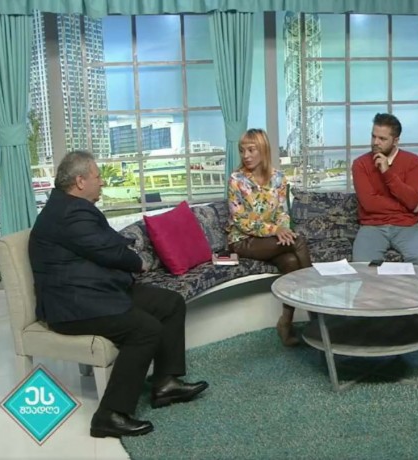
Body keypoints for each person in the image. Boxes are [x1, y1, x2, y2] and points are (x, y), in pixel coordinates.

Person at [29, 151, 208, 438]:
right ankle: (110, 414)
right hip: (73, 306)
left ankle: (165, 383)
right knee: (145, 330)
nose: (101, 182)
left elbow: (107, 242)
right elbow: (109, 251)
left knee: (170, 303)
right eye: (97, 176)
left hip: (94, 292)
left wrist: (124, 251)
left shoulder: (70, 206)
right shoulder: (70, 213)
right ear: (80, 181)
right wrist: (139, 262)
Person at [227, 128, 311, 347]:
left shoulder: (278, 178)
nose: (246, 155)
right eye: (242, 150)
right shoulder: (236, 180)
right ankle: (317, 308)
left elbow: (282, 212)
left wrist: (283, 228)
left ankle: (285, 322)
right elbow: (240, 220)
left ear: (263, 150)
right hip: (243, 241)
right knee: (299, 241)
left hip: (270, 241)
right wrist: (275, 230)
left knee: (291, 262)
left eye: (251, 150)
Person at [351, 113, 418, 266]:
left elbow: (412, 198)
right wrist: (409, 206)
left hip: (406, 225)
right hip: (372, 226)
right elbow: (369, 204)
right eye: (373, 136)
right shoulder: (360, 164)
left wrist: (387, 172)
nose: (375, 142)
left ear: (396, 140)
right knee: (362, 265)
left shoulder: (413, 162)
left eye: (382, 139)